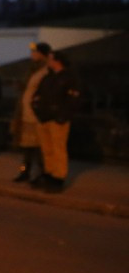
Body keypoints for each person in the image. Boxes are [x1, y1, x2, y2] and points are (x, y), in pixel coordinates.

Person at [30, 50, 80, 193]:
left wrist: (62, 116)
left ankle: (58, 177)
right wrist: (37, 109)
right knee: (47, 149)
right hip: (44, 118)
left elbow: (73, 100)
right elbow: (37, 96)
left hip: (58, 119)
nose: (48, 61)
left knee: (58, 148)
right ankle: (49, 173)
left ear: (58, 61)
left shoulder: (68, 78)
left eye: (51, 59)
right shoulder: (48, 78)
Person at [11, 42, 50, 182]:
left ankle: (41, 173)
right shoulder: (32, 70)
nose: (32, 55)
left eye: (35, 52)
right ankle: (24, 171)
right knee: (26, 146)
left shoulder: (46, 71)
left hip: (36, 115)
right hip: (25, 113)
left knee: (38, 147)